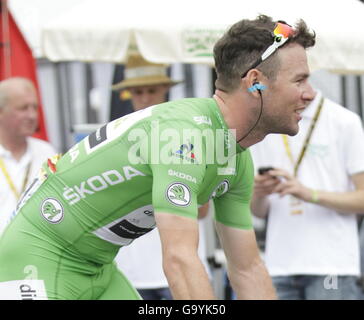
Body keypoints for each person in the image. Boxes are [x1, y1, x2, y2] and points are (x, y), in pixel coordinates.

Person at [0, 14, 315, 300]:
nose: (310, 93)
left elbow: (247, 269)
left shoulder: (233, 153)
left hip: (96, 269)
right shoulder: (182, 137)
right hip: (35, 257)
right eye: (299, 80)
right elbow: (180, 260)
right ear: (255, 81)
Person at [112, 55, 211, 300]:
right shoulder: (114, 139)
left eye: (151, 90)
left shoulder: (189, 135)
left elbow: (203, 209)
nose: (144, 97)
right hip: (131, 273)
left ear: (165, 89)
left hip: (181, 272)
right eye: (137, 92)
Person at [250, 90, 364, 300]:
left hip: (332, 265)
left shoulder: (344, 121)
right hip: (278, 266)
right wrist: (259, 193)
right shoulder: (266, 126)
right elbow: (258, 212)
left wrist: (309, 194)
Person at [0, 77, 57, 236]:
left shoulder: (47, 152)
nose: (32, 115)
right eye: (23, 108)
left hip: (36, 252)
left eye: (35, 107)